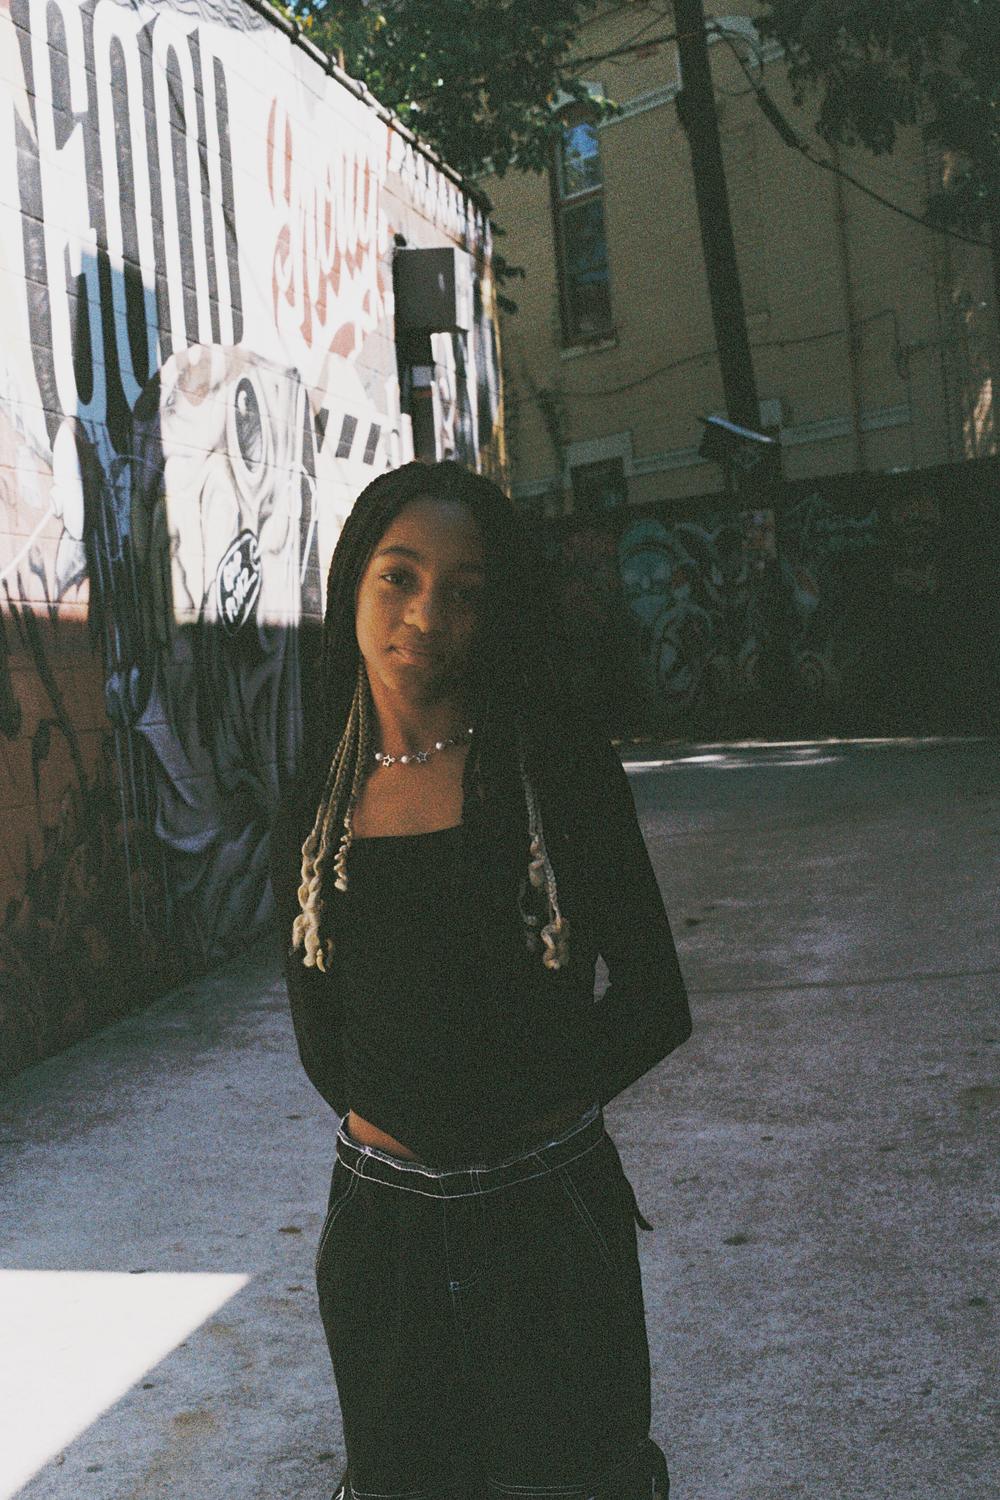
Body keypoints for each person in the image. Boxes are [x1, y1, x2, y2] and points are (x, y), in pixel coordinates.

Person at [269, 460, 692, 1500]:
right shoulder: (319, 793)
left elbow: (654, 1001)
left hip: (546, 1223)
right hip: (382, 1237)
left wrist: (510, 1118)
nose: (426, 615)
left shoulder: (554, 765)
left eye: (465, 591)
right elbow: (323, 1032)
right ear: (352, 585)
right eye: (399, 577)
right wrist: (407, 1128)